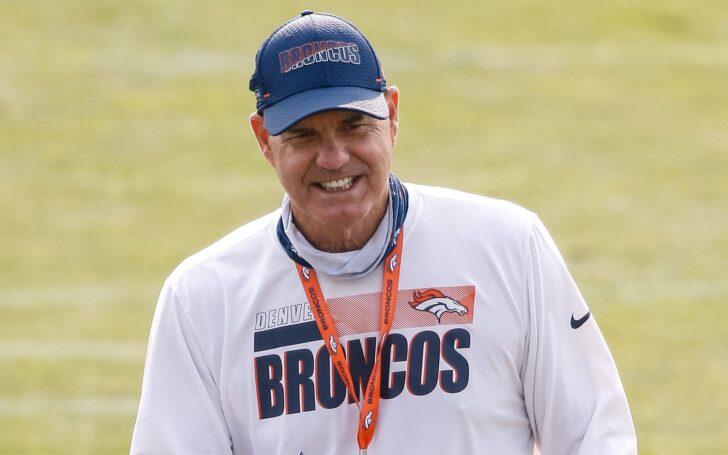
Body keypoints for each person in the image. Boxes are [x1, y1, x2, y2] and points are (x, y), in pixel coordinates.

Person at [131, 11, 637, 455]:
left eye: (354, 126)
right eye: (304, 134)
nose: (333, 158)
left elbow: (596, 435)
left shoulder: (509, 246)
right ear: (264, 140)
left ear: (391, 116)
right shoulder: (202, 298)